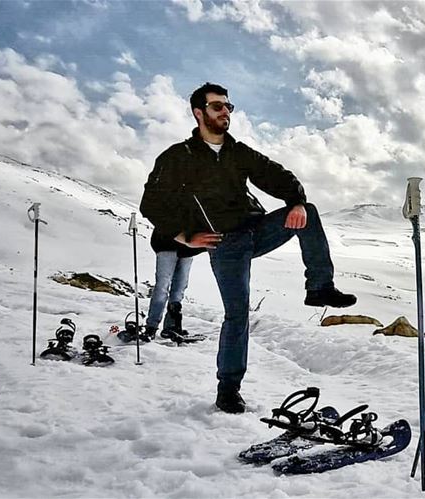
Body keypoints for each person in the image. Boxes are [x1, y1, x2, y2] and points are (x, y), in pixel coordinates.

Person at [140, 82, 356, 414]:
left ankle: (319, 287)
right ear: (199, 113)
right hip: (224, 244)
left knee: (307, 213)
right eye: (217, 107)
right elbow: (151, 203)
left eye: (228, 106)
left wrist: (295, 202)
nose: (225, 112)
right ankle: (228, 389)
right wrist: (184, 236)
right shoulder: (178, 157)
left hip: (257, 229)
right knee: (237, 314)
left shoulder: (238, 152)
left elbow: (277, 175)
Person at [143, 229, 197, 341]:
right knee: (165, 287)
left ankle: (170, 326)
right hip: (171, 245)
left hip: (184, 247)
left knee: (177, 287)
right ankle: (152, 327)